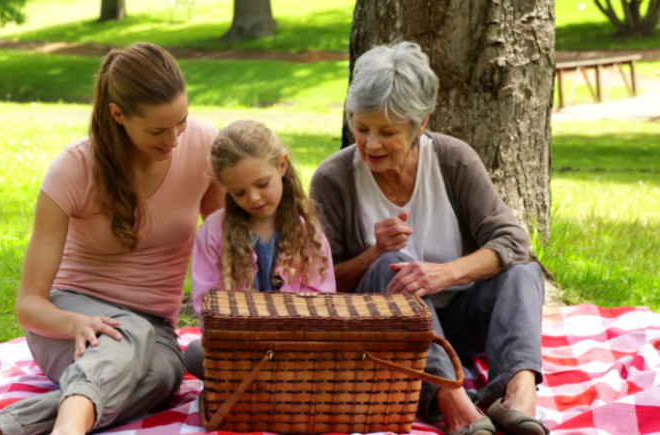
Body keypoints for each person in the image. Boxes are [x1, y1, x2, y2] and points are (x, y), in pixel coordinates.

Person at [0, 43, 225, 435]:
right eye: (158, 130)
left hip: (155, 330)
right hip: (67, 319)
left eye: (181, 121)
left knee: (164, 376)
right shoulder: (74, 169)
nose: (175, 139)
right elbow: (30, 305)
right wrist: (77, 324)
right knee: (127, 336)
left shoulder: (203, 149)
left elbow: (226, 247)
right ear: (118, 115)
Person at [310, 41, 548, 435]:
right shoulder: (333, 180)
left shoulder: (454, 160)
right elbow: (319, 287)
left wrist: (446, 273)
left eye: (387, 132)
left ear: (420, 124)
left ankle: (517, 396)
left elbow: (512, 241)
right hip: (391, 335)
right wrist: (373, 254)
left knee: (524, 271)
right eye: (362, 127)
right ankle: (451, 402)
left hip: (462, 323)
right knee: (390, 264)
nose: (370, 144)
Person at [183, 120, 336, 380]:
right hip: (239, 348)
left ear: (282, 165)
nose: (253, 198)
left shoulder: (307, 233)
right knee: (195, 353)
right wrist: (243, 337)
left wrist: (284, 337)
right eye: (239, 192)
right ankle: (259, 385)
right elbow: (207, 302)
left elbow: (321, 299)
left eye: (262, 184)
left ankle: (262, 385)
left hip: (294, 347)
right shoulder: (212, 232)